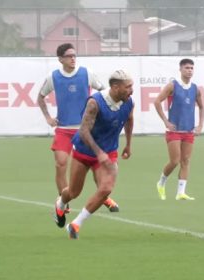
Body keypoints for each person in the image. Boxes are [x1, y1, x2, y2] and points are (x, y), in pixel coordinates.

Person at [38, 43, 119, 212]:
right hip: (63, 130)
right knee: (60, 164)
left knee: (97, 164)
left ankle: (104, 197)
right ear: (60, 59)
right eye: (69, 56)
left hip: (85, 131)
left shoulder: (86, 73)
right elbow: (40, 97)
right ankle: (63, 202)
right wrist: (48, 117)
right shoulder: (53, 77)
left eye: (74, 55)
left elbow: (104, 92)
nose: (73, 58)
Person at [53, 70, 134, 239]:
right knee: (74, 192)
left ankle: (76, 224)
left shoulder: (128, 102)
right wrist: (98, 153)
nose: (131, 90)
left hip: (109, 151)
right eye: (128, 87)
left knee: (106, 188)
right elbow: (83, 131)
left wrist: (128, 144)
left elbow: (129, 119)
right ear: (115, 87)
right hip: (84, 151)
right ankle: (60, 203)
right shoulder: (95, 103)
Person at [154, 58, 204, 201]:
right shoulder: (172, 86)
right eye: (187, 68)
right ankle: (161, 182)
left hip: (188, 131)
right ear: (180, 69)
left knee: (186, 161)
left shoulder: (196, 89)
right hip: (174, 131)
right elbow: (157, 101)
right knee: (175, 161)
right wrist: (166, 121)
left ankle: (181, 192)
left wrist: (200, 125)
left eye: (191, 68)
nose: (189, 70)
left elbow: (201, 107)